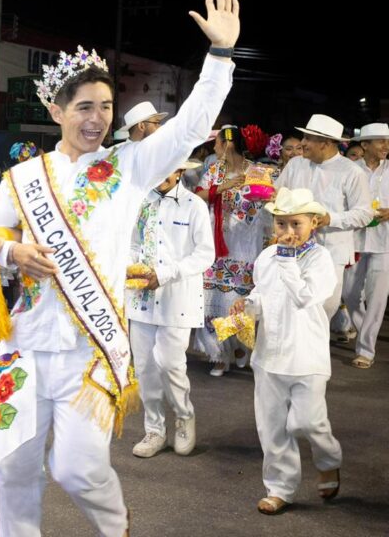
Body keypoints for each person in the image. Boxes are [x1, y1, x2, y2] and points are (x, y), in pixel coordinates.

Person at [0, 0, 239, 537]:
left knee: (76, 468)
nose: (96, 118)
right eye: (84, 106)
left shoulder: (128, 167)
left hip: (89, 349)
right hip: (25, 342)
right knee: (14, 465)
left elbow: (190, 127)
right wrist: (13, 249)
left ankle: (116, 525)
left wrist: (219, 56)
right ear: (55, 109)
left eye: (106, 107)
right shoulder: (24, 177)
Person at [231, 187, 342, 515]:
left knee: (308, 422)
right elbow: (263, 295)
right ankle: (280, 488)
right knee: (273, 427)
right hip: (269, 355)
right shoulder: (267, 257)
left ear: (314, 224)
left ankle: (328, 459)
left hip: (306, 355)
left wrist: (288, 260)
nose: (288, 232)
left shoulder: (321, 259)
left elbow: (305, 297)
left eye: (296, 224)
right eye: (281, 224)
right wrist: (247, 305)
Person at [127, 161, 214, 458]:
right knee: (144, 369)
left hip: (178, 297)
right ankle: (154, 430)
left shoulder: (193, 205)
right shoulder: (142, 202)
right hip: (141, 298)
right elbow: (133, 243)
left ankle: (184, 415)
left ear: (179, 171)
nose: (160, 175)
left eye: (168, 168)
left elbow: (205, 253)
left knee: (169, 364)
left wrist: (165, 275)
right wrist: (130, 268)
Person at [274, 114, 373, 319]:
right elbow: (277, 194)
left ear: (325, 143)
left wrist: (330, 219)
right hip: (293, 248)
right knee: (290, 307)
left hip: (331, 252)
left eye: (308, 139)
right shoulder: (295, 165)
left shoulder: (351, 172)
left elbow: (364, 214)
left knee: (322, 310)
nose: (302, 143)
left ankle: (315, 350)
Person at [193, 125, 271, 375]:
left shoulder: (257, 172)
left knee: (236, 303)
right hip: (215, 246)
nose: (213, 148)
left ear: (228, 144)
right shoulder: (214, 171)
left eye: (216, 143)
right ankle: (218, 355)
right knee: (208, 302)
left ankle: (238, 345)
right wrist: (222, 187)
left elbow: (268, 204)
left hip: (245, 246)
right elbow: (199, 196)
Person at [341, 123, 389, 368]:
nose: (386, 146)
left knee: (377, 298)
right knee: (348, 294)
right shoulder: (350, 169)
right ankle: (365, 331)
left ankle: (366, 350)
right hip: (355, 239)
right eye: (380, 141)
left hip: (385, 241)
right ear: (365, 145)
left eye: (387, 141)